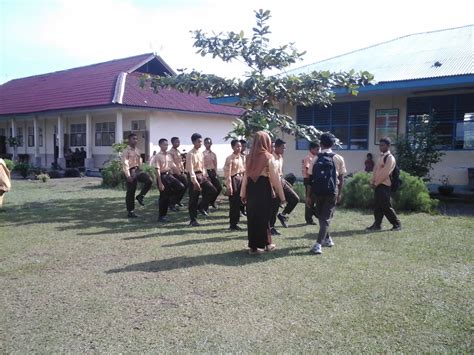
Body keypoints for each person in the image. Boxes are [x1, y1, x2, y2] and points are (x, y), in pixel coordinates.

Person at [241, 131, 285, 255]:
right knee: (264, 216)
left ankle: (256, 246)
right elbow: (275, 178)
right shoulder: (268, 157)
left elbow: (246, 177)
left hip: (251, 188)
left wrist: (243, 193)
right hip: (262, 188)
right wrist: (282, 196)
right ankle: (263, 245)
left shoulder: (249, 157)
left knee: (253, 217)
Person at [306, 133, 346, 255]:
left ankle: (319, 244)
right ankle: (326, 239)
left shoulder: (316, 158)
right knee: (325, 218)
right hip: (331, 192)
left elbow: (310, 179)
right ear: (333, 144)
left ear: (321, 144)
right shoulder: (338, 158)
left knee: (322, 217)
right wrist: (339, 193)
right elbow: (342, 178)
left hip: (318, 192)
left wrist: (308, 196)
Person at [367, 137, 401, 231]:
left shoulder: (390, 158)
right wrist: (372, 182)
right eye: (380, 145)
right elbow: (375, 171)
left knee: (386, 206)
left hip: (384, 185)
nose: (380, 147)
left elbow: (385, 173)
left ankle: (397, 224)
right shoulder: (381, 157)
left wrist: (376, 183)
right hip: (378, 185)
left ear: (388, 146)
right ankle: (377, 225)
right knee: (377, 206)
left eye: (383, 145)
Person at [186, 133, 218, 227]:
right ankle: (193, 220)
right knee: (193, 198)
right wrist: (194, 181)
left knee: (213, 190)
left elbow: (203, 165)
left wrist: (205, 175)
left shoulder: (200, 153)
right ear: (193, 142)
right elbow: (190, 169)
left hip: (202, 175)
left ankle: (201, 207)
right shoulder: (190, 154)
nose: (200, 143)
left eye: (201, 141)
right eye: (198, 142)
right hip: (194, 176)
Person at [150, 138, 185, 222]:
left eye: (167, 144)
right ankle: (162, 216)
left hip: (169, 175)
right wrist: (160, 183)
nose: (166, 146)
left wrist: (180, 174)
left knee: (181, 187)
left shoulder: (169, 155)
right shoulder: (158, 156)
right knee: (164, 197)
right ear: (160, 145)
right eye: (164, 145)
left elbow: (173, 165)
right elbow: (157, 170)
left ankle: (171, 202)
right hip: (162, 177)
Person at [270, 139, 300, 233]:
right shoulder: (271, 158)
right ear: (277, 147)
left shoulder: (280, 157)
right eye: (283, 148)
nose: (284, 150)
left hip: (281, 181)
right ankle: (271, 228)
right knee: (274, 206)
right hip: (274, 183)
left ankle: (282, 214)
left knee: (295, 198)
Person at [122, 133, 153, 218]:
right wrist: (128, 176)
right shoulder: (126, 151)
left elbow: (140, 163)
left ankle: (140, 196)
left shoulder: (138, 150)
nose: (135, 140)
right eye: (133, 139)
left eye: (136, 139)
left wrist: (141, 170)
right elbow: (125, 164)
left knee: (149, 180)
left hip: (137, 170)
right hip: (130, 171)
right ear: (129, 140)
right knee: (131, 192)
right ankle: (130, 211)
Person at [224, 139, 245, 231]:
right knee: (234, 203)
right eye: (237, 146)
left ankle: (236, 222)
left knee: (240, 202)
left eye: (240, 146)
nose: (239, 148)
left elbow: (244, 170)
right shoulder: (230, 158)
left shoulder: (242, 157)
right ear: (232, 147)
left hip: (241, 179)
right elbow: (227, 174)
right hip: (234, 180)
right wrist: (229, 186)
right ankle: (232, 224)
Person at [302, 141, 320, 225]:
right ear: (311, 149)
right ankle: (309, 219)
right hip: (308, 180)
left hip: (314, 180)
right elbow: (309, 170)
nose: (318, 151)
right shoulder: (308, 158)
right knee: (309, 199)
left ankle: (313, 213)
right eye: (317, 149)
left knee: (316, 198)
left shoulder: (315, 157)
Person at [168, 137, 187, 209]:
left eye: (179, 142)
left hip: (181, 172)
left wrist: (183, 170)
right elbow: (172, 164)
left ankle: (177, 200)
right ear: (172, 143)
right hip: (175, 173)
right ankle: (172, 203)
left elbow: (181, 162)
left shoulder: (178, 151)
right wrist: (178, 172)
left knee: (185, 186)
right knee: (179, 187)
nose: (178, 143)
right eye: (176, 142)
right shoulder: (170, 152)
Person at [203, 137, 222, 209]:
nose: (208, 144)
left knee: (219, 187)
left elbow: (215, 164)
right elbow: (203, 165)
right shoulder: (203, 154)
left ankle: (212, 201)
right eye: (207, 143)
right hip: (206, 172)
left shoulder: (214, 154)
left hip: (213, 172)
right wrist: (206, 175)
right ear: (204, 144)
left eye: (209, 143)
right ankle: (204, 206)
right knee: (208, 190)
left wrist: (215, 173)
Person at [239, 139, 248, 216]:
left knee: (245, 193)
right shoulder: (237, 156)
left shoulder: (246, 155)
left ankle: (243, 209)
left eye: (245, 146)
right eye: (243, 146)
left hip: (245, 176)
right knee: (239, 194)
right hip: (239, 176)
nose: (244, 148)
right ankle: (239, 209)